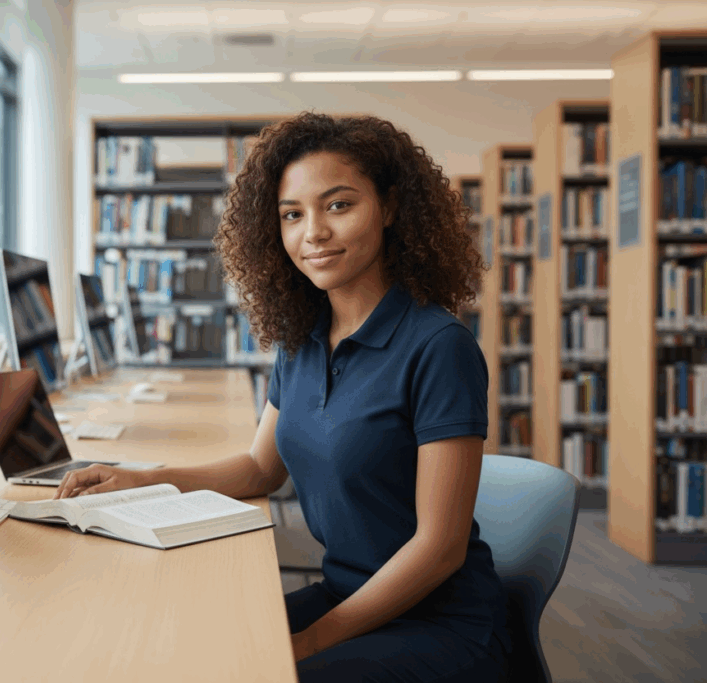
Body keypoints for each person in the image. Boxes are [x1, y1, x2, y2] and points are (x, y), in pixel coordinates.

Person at [55, 111, 510, 683]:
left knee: (253, 670)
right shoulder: (302, 341)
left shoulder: (438, 346)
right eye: (292, 215)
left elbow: (439, 549)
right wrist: (141, 478)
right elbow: (257, 469)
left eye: (339, 205)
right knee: (179, 648)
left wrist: (307, 642)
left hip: (438, 623)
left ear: (391, 208)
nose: (313, 232)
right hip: (348, 594)